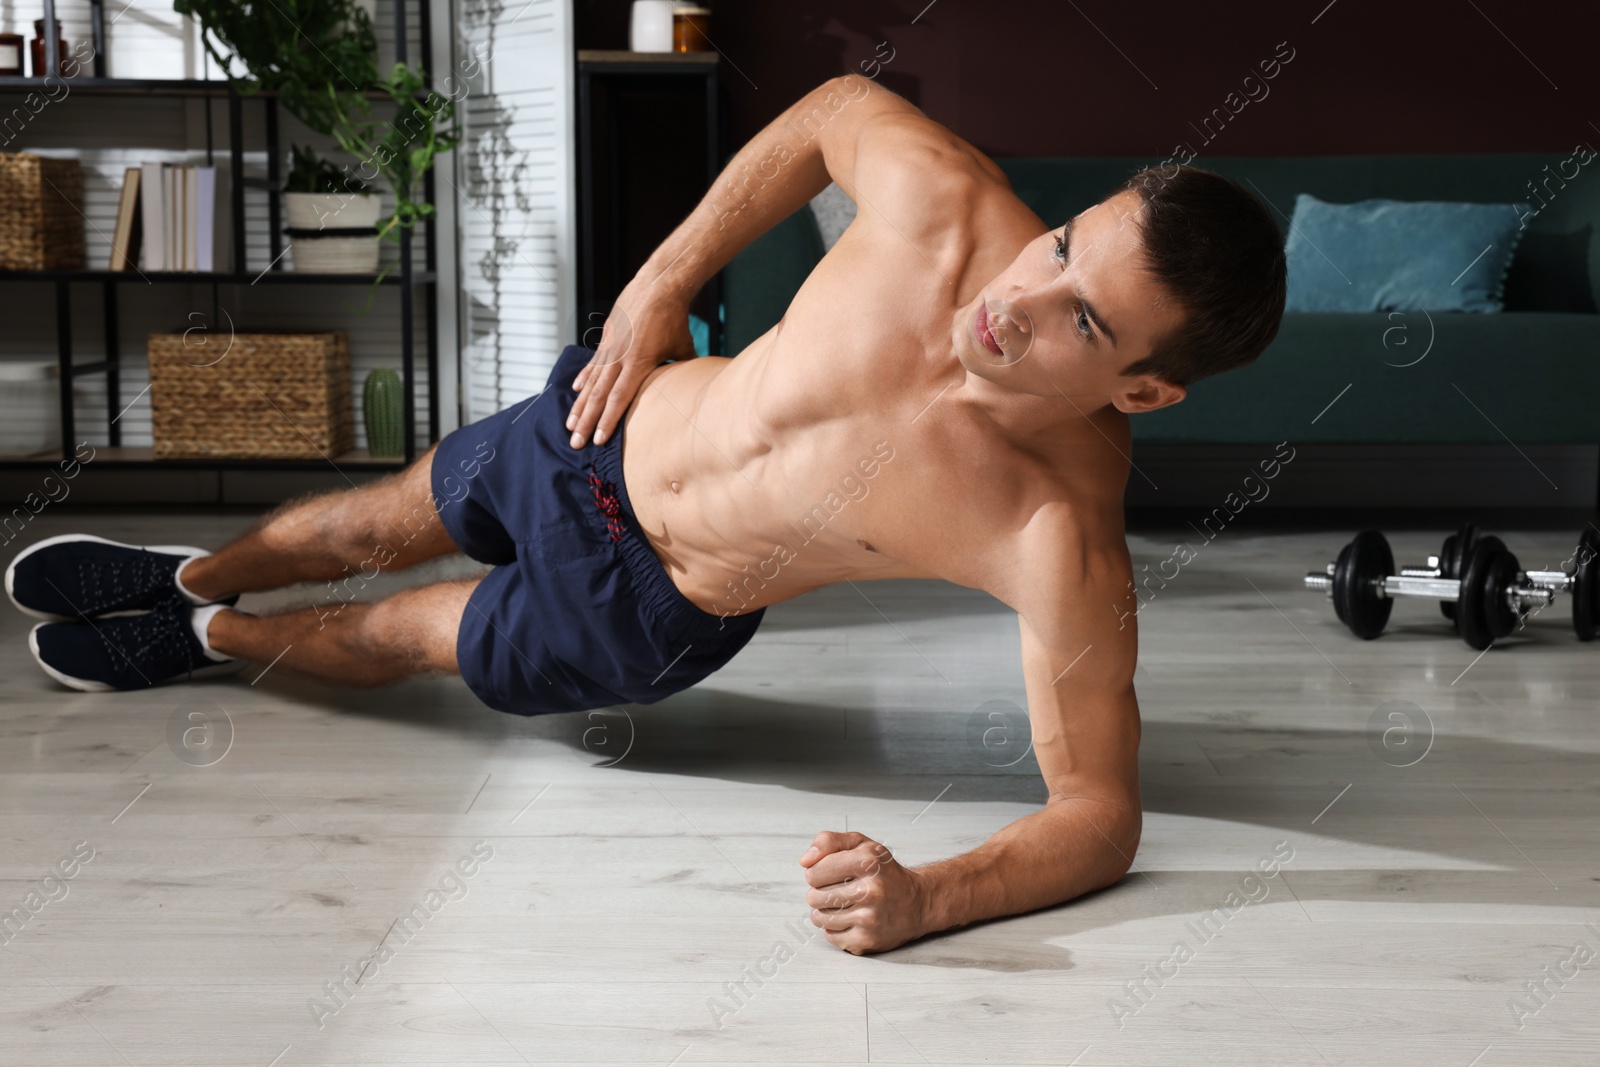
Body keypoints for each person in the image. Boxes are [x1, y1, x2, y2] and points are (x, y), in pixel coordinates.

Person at [6, 75, 1285, 953]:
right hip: (605, 420)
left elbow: (1097, 815)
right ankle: (190, 576)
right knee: (363, 526)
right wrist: (660, 281)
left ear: (1143, 387)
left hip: (643, 604)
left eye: (1085, 318)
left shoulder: (1055, 531)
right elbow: (837, 112)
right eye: (1064, 243)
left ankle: (209, 642)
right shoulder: (949, 209)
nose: (1024, 294)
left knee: (399, 633)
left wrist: (925, 897)